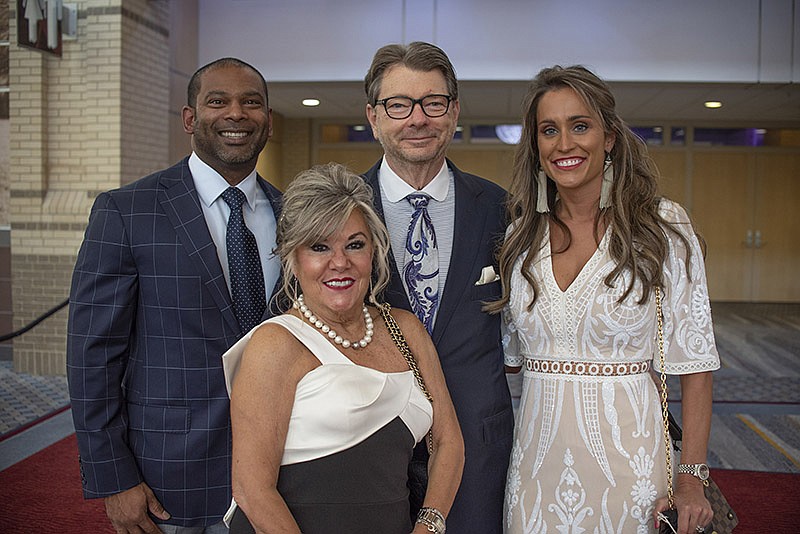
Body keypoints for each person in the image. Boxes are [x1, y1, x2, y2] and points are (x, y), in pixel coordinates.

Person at [490, 65, 721, 534]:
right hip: (535, 469)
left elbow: (695, 365)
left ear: (610, 137)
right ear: (536, 146)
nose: (564, 143)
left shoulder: (661, 228)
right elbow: (508, 359)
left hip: (632, 469)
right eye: (548, 130)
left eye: (580, 126)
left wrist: (692, 477)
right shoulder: (519, 236)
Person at [67, 57, 282, 534]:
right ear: (190, 119)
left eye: (252, 102)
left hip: (280, 474)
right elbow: (93, 356)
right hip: (169, 478)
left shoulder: (296, 216)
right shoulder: (126, 212)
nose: (237, 114)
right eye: (217, 101)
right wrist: (112, 476)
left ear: (268, 120)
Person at [224, 162, 464, 534]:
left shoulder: (406, 329)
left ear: (374, 251)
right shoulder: (275, 343)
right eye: (319, 247)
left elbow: (448, 441)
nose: (340, 263)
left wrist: (429, 525)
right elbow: (252, 489)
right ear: (293, 257)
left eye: (355, 244)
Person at [362, 41, 514, 533]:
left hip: (477, 443)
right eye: (398, 105)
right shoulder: (339, 207)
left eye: (433, 103)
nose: (417, 119)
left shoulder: (499, 208)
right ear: (373, 116)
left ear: (453, 112)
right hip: (367, 443)